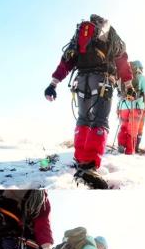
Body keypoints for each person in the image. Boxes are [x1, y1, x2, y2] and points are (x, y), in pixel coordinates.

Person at [44, 14, 133, 189]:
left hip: (81, 80)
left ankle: (80, 158)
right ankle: (90, 164)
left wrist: (53, 84)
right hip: (102, 80)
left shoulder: (80, 35)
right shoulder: (109, 33)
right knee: (100, 120)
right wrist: (128, 85)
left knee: (83, 118)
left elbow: (66, 61)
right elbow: (122, 60)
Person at [116, 60, 145, 155]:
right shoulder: (141, 77)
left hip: (123, 106)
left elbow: (119, 92)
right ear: (139, 68)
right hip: (136, 106)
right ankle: (129, 151)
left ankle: (121, 145)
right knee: (132, 129)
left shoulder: (123, 78)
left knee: (123, 127)